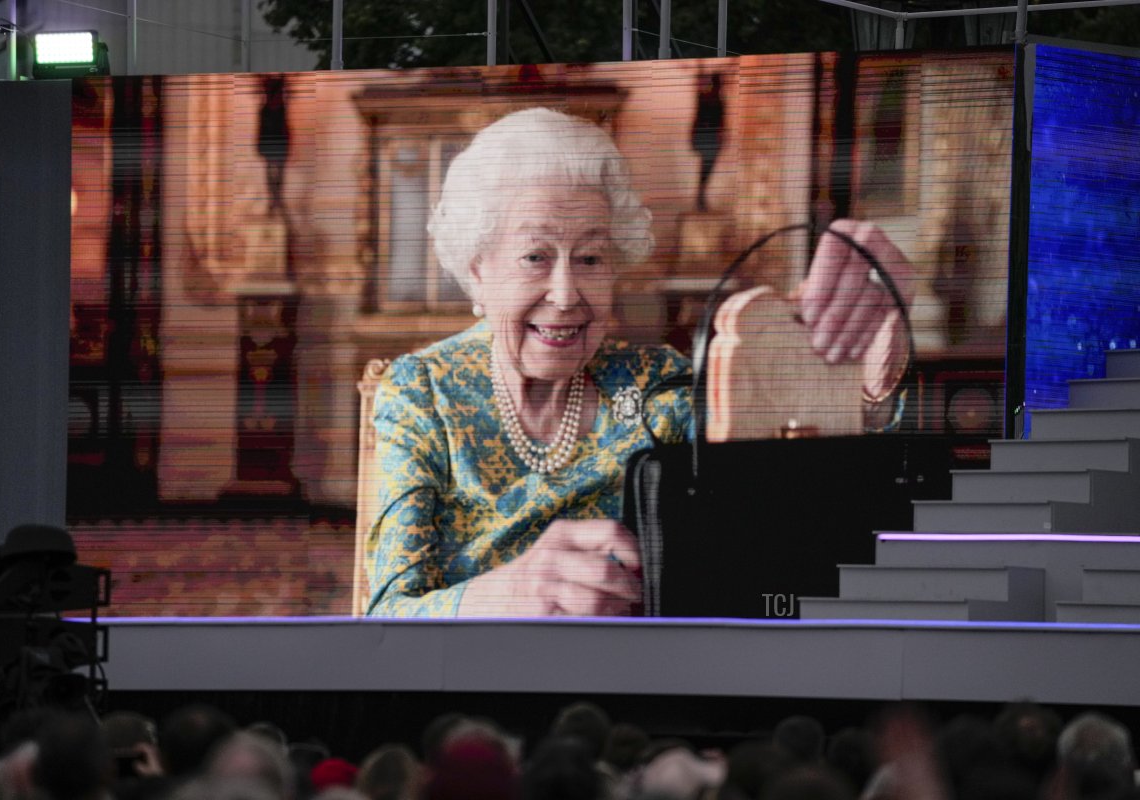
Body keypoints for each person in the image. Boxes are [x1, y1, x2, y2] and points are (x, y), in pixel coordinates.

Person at [366, 107, 912, 618]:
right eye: (535, 257)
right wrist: (512, 589)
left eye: (591, 259)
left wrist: (859, 377)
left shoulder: (655, 385)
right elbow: (387, 616)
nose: (565, 294)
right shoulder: (423, 392)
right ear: (477, 269)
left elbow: (792, 486)